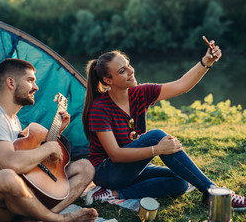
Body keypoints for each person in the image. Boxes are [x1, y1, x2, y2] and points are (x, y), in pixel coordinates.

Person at [81, 39, 246, 210]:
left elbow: (181, 85)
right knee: (155, 136)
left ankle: (114, 194)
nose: (131, 71)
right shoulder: (100, 108)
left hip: (131, 169)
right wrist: (156, 150)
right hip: (107, 172)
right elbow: (115, 155)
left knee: (181, 181)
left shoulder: (140, 93)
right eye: (122, 71)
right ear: (108, 80)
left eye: (129, 65)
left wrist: (206, 62)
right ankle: (213, 192)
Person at [0, 58, 98, 222]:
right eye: (30, 80)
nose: (36, 87)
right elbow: (10, 164)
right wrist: (48, 148)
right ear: (11, 83)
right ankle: (58, 219)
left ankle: (39, 218)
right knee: (7, 176)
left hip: (18, 197)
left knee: (85, 168)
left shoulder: (13, 120)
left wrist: (55, 133)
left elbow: (26, 159)